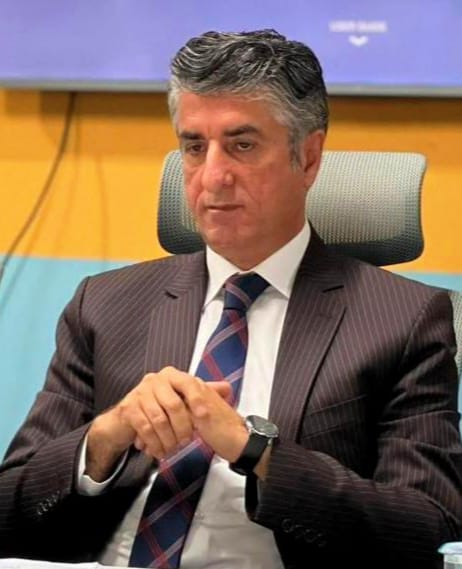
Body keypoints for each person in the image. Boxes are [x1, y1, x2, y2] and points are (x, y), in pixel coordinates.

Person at [0, 29, 461, 569]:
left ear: (309, 158)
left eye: (242, 146)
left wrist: (254, 450)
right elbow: (9, 510)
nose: (213, 177)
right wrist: (103, 438)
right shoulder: (105, 305)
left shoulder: (403, 321)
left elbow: (422, 524)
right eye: (194, 147)